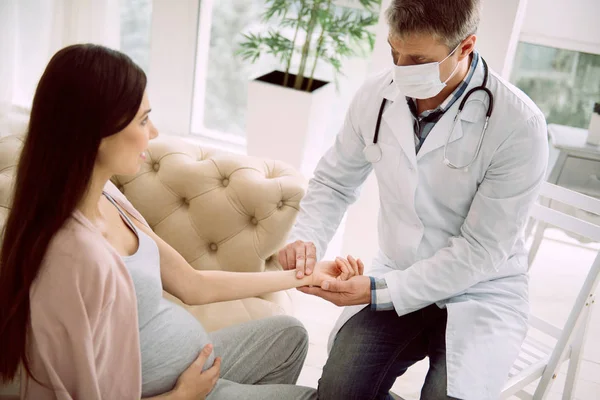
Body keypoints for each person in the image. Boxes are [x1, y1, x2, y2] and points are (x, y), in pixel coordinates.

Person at [0, 44, 363, 400]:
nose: (154, 133)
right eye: (143, 120)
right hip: (172, 393)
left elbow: (193, 284)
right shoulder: (70, 256)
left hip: (189, 372)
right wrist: (182, 396)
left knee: (289, 335)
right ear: (96, 132)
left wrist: (306, 277)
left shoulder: (110, 197)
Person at [278, 0, 549, 399]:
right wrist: (306, 238)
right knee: (338, 392)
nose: (401, 69)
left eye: (418, 60)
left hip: (480, 290)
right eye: (394, 52)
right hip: (398, 268)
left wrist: (374, 291)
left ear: (466, 46)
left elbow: (481, 250)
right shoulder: (375, 95)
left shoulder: (518, 125)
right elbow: (335, 182)